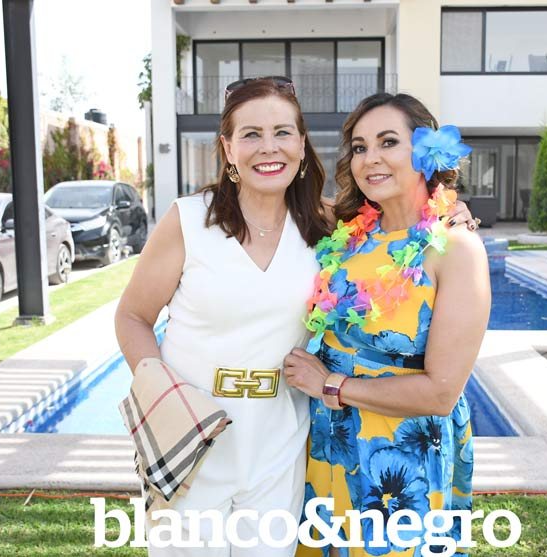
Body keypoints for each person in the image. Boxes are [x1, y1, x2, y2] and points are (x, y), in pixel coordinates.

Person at [114, 79, 477, 557]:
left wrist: (451, 212)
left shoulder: (326, 226)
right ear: (228, 148)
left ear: (302, 145)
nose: (269, 147)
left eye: (282, 132)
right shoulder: (188, 220)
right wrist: (163, 400)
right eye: (251, 134)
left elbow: (408, 223)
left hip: (280, 443)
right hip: (194, 439)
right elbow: (133, 316)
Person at [283, 93, 491, 557]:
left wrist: (331, 385)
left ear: (426, 153)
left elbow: (441, 393)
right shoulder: (347, 233)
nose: (370, 158)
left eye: (388, 142)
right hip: (329, 443)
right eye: (359, 147)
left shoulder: (456, 249)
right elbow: (269, 203)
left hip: (400, 459)